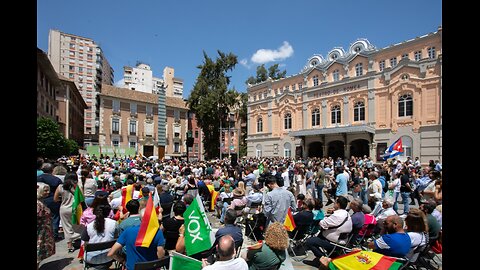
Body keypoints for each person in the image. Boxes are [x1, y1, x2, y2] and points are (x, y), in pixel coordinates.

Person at [303, 196, 352, 268]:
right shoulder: (347, 214)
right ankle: (326, 257)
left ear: (338, 204)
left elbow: (322, 223)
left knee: (309, 241)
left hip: (333, 243)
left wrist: (327, 217)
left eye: (335, 202)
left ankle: (324, 259)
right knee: (319, 236)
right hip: (341, 241)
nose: (333, 204)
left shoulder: (337, 215)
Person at [81, 204, 118, 268]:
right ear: (108, 213)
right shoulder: (114, 223)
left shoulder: (89, 226)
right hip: (110, 256)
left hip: (91, 258)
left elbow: (84, 244)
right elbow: (116, 238)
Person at [53, 173, 82, 253]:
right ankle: (80, 239)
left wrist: (63, 200)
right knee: (78, 225)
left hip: (64, 209)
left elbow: (55, 199)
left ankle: (70, 245)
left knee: (66, 227)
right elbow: (81, 198)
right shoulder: (77, 187)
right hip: (75, 208)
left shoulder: (60, 187)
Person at [37, 162, 63, 240]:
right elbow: (60, 191)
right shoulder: (56, 179)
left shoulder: (38, 178)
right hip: (53, 200)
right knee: (55, 217)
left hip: (41, 200)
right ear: (52, 170)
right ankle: (54, 235)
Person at [37, 182, 55, 268]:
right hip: (40, 232)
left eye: (48, 190)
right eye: (45, 191)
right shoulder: (38, 204)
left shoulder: (41, 201)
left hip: (44, 231)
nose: (48, 192)